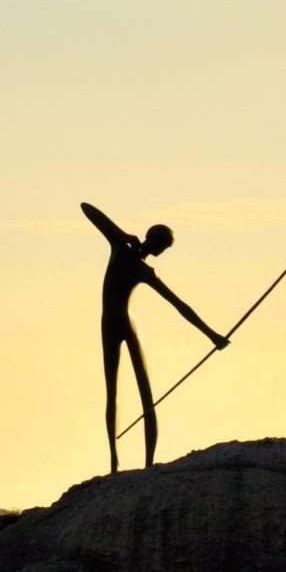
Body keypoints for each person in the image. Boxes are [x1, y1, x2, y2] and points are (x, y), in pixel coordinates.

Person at [83, 202, 226, 473]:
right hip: (110, 325)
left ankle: (148, 464)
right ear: (154, 241)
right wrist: (122, 234)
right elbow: (87, 208)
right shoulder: (120, 247)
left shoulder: (145, 271)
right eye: (164, 246)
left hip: (127, 324)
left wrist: (212, 336)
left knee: (146, 396)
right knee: (112, 393)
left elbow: (179, 305)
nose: (162, 252)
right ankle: (114, 463)